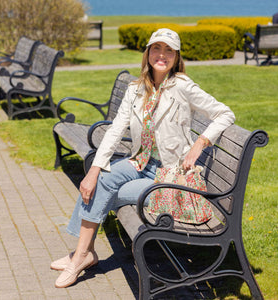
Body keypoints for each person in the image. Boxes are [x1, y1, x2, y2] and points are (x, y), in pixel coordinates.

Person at [50, 28, 236, 288]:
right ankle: (84, 253)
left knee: (107, 189)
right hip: (140, 161)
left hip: (168, 175)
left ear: (176, 56)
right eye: (157, 48)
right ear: (148, 53)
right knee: (98, 180)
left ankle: (80, 255)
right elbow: (116, 129)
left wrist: (200, 144)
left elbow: (225, 113)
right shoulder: (136, 89)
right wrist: (92, 170)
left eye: (169, 50)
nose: (162, 55)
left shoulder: (183, 87)